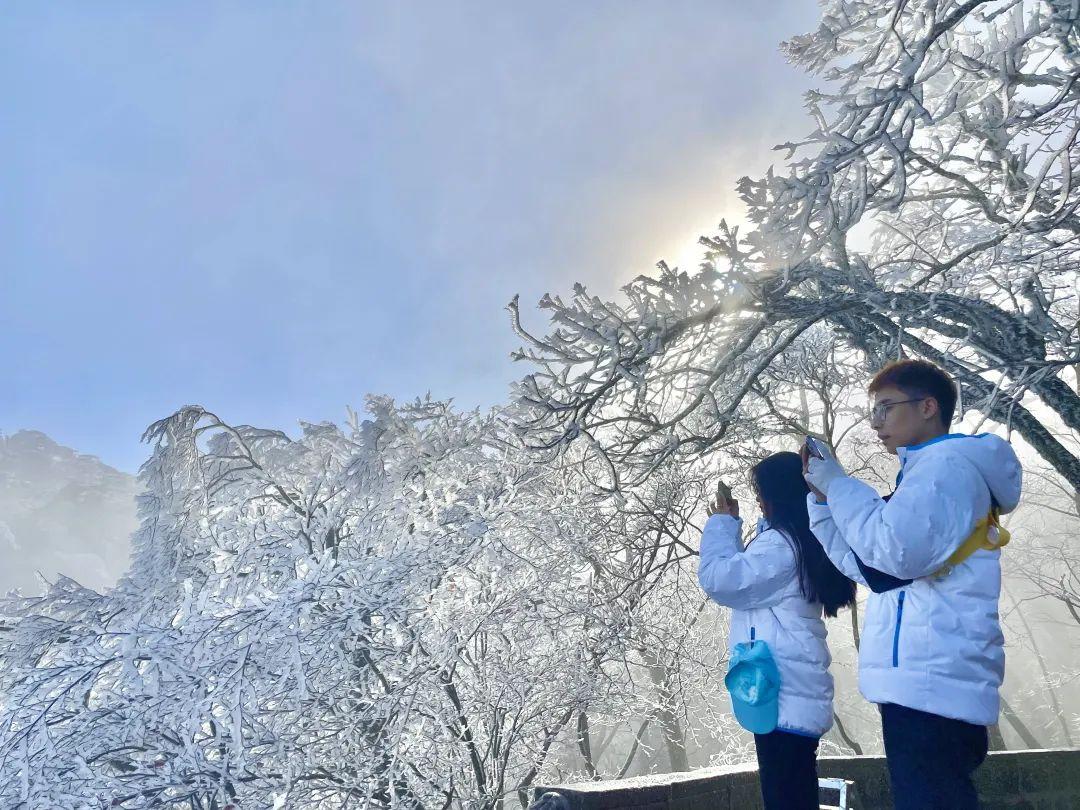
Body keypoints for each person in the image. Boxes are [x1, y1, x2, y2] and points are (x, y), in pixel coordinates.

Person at [802, 359, 1023, 810]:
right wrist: (824, 505)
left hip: (933, 678)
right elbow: (871, 569)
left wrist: (841, 486)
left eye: (886, 407)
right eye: (873, 411)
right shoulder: (924, 474)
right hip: (920, 680)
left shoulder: (946, 469)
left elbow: (896, 550)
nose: (877, 422)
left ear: (927, 406)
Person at [698, 451, 857, 810]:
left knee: (786, 799)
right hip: (791, 694)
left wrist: (722, 524)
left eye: (761, 492)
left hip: (782, 693)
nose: (758, 501)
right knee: (794, 796)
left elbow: (721, 580)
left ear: (779, 495)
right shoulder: (798, 540)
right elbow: (750, 586)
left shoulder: (781, 545)